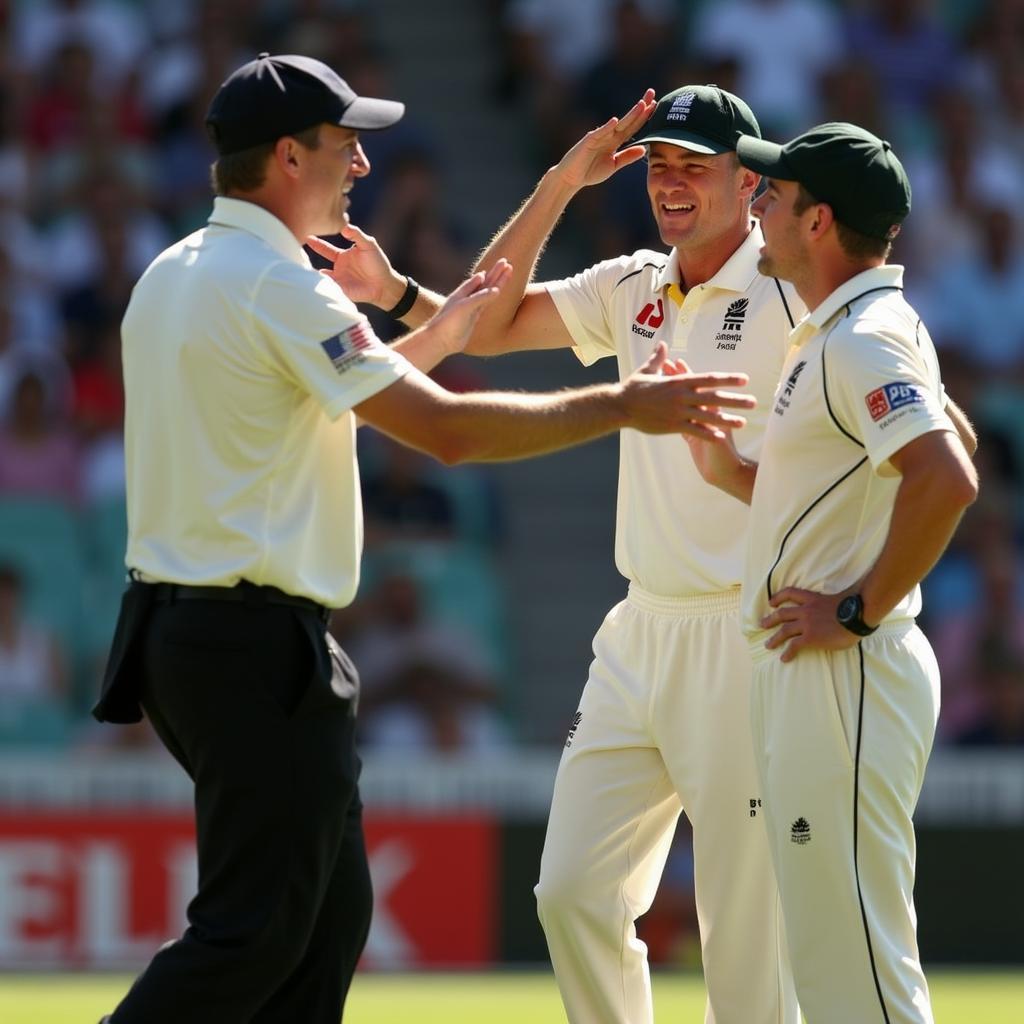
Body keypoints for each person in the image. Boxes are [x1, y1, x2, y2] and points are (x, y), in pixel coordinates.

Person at [91, 54, 755, 1024]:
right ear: (287, 156)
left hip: (186, 634)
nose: (360, 165)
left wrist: (424, 323)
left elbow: (313, 412)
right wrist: (626, 404)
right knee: (258, 929)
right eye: (344, 144)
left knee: (324, 919)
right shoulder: (283, 288)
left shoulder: (174, 272)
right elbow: (444, 429)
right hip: (251, 642)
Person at [413, 84, 806, 1024]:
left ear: (749, 183)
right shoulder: (632, 283)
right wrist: (560, 182)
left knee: (744, 942)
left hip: (748, 631)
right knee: (572, 897)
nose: (670, 185)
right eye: (659, 166)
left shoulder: (796, 291)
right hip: (639, 634)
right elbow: (490, 322)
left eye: (694, 168)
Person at [691, 122, 978, 1023]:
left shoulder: (862, 336)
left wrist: (855, 610)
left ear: (817, 222)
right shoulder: (852, 329)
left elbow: (949, 475)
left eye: (772, 194)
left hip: (844, 672)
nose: (757, 204)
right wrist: (731, 475)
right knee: (828, 953)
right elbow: (929, 451)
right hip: (818, 673)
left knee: (856, 960)